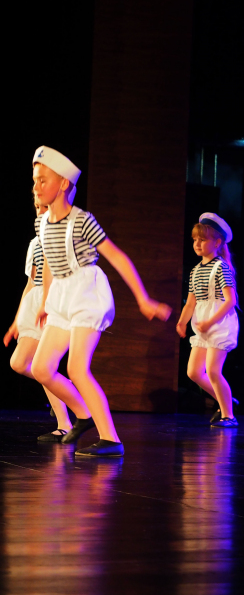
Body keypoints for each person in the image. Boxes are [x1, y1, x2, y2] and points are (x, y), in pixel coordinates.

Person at [30, 145, 172, 457]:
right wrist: (44, 301)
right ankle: (83, 415)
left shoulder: (82, 220)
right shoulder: (42, 223)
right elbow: (50, 263)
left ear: (63, 184)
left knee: (77, 368)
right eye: (34, 180)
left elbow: (117, 257)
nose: (36, 187)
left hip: (86, 293)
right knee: (41, 368)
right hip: (61, 296)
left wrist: (143, 299)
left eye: (43, 180)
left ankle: (111, 439)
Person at [4, 196, 75, 442]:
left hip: (54, 301)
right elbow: (30, 282)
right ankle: (65, 393)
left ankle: (66, 422)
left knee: (41, 366)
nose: (39, 211)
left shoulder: (62, 237)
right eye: (36, 207)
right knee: (19, 363)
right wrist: (17, 320)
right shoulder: (35, 243)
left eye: (44, 207)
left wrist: (50, 303)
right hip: (35, 303)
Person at [176, 213, 239, 428]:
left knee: (213, 371)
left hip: (219, 324)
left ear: (217, 243)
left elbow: (230, 301)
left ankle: (228, 415)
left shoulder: (221, 267)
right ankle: (226, 400)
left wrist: (210, 322)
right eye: (195, 239)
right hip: (202, 325)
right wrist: (182, 322)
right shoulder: (195, 271)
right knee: (193, 372)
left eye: (202, 239)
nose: (197, 243)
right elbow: (190, 303)